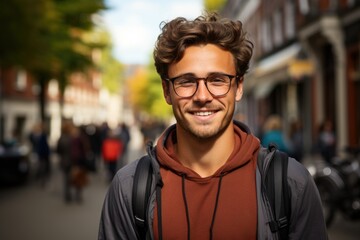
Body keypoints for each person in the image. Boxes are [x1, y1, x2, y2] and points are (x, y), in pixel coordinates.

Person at [99, 12, 327, 239]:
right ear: (167, 91)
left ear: (238, 87)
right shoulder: (129, 189)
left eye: (217, 80)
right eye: (186, 81)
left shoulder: (291, 183)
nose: (202, 96)